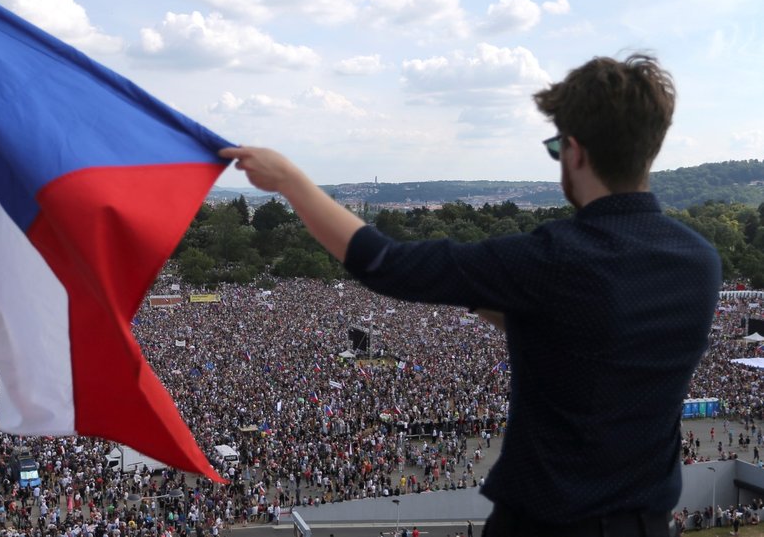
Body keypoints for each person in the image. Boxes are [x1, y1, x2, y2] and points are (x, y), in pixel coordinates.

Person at [220, 54, 722, 537]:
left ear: (576, 150)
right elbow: (590, 337)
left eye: (556, 150)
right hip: (649, 522)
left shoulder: (551, 258)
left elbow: (386, 264)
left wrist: (290, 181)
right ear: (649, 147)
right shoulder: (700, 261)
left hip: (547, 523)